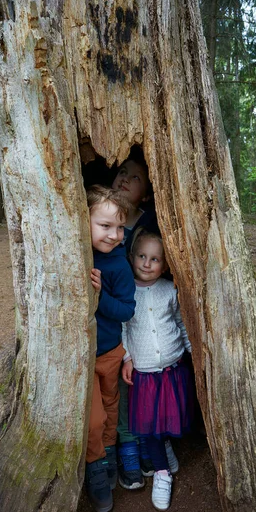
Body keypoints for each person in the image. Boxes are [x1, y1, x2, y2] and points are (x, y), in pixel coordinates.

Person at [122, 230, 194, 511]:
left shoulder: (169, 290)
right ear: (132, 257)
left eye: (154, 259)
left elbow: (181, 321)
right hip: (144, 372)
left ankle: (165, 448)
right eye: (142, 256)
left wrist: (192, 350)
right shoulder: (126, 291)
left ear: (164, 265)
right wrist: (127, 358)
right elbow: (122, 328)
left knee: (167, 415)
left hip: (173, 368)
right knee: (150, 426)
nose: (147, 263)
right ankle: (162, 474)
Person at [85, 185, 136, 512]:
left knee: (111, 409)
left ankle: (110, 456)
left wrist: (100, 296)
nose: (115, 235)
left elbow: (126, 311)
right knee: (93, 419)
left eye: (120, 227)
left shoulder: (119, 266)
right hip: (81, 358)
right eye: (105, 226)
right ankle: (95, 470)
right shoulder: (78, 253)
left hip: (110, 353)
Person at [111, 155, 160, 489]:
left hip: (145, 319)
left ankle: (146, 442)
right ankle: (122, 448)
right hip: (109, 319)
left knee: (141, 384)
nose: (126, 179)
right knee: (115, 386)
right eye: (122, 172)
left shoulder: (151, 225)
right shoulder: (100, 218)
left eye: (136, 177)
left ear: (145, 194)